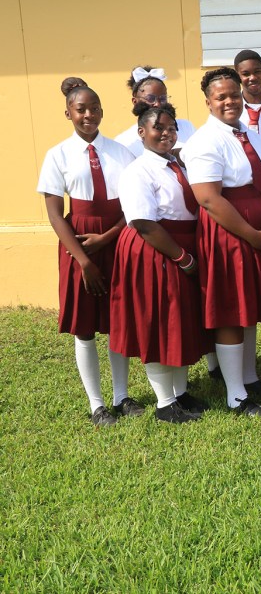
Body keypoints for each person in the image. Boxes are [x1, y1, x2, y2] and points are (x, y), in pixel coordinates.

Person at [37, 82, 142, 426]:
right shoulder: (58, 155)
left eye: (94, 108)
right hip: (78, 244)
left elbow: (132, 205)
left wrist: (108, 237)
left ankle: (122, 396)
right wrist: (83, 259)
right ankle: (97, 404)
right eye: (80, 109)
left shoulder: (121, 152)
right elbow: (55, 213)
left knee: (117, 321)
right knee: (85, 327)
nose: (88, 115)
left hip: (117, 238)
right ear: (68, 112)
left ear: (101, 110)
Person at [180, 67, 261, 416]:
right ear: (208, 102)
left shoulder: (250, 134)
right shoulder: (204, 141)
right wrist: (253, 233)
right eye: (221, 96)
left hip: (256, 236)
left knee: (247, 307)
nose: (229, 101)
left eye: (234, 95)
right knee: (230, 311)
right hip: (228, 235)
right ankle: (235, 394)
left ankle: (250, 377)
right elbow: (209, 198)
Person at [108, 104, 211, 423]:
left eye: (172, 128)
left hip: (179, 245)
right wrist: (183, 258)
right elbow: (144, 223)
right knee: (157, 323)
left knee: (179, 320)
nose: (166, 134)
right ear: (142, 132)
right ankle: (165, 403)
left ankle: (180, 393)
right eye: (158, 128)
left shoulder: (177, 164)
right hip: (155, 249)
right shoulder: (138, 171)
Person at [113, 66, 196, 157]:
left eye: (163, 98)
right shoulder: (124, 142)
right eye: (150, 98)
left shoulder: (186, 127)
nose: (157, 104)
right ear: (135, 101)